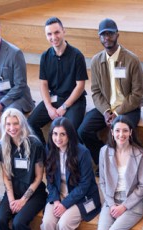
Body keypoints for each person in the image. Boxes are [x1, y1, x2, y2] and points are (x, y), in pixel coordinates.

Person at [78, 18, 143, 165]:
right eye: (103, 34)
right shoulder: (96, 61)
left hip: (128, 108)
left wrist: (117, 113)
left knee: (122, 133)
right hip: (106, 108)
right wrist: (106, 111)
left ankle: (129, 165)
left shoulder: (132, 60)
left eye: (110, 34)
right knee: (83, 131)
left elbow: (137, 94)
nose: (107, 38)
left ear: (117, 35)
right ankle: (104, 161)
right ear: (99, 37)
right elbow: (95, 91)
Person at [41, 117, 101, 230]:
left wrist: (65, 204)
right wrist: (55, 200)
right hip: (58, 196)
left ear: (69, 135)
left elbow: (85, 185)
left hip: (82, 198)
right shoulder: (49, 149)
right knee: (47, 223)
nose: (58, 138)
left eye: (62, 134)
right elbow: (49, 179)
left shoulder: (82, 153)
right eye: (55, 134)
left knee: (64, 223)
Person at [0, 108, 47, 230]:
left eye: (15, 123)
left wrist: (23, 200)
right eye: (8, 124)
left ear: (22, 123)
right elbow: (6, 176)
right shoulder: (1, 146)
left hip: (34, 193)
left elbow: (38, 177)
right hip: (13, 192)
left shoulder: (34, 144)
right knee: (0, 221)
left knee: (19, 222)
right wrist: (11, 200)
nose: (12, 128)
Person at [97, 116, 143, 230]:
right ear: (112, 132)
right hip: (111, 201)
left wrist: (124, 207)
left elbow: (142, 187)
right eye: (117, 130)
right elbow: (103, 181)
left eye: (125, 130)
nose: (121, 134)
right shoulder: (105, 151)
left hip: (132, 204)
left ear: (131, 132)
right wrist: (112, 204)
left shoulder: (139, 154)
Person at [28, 17, 88, 145]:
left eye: (56, 32)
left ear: (63, 32)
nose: (53, 37)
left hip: (74, 101)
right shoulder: (45, 56)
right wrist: (49, 107)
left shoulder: (77, 55)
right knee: (31, 123)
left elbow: (80, 86)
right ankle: (47, 155)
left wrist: (64, 107)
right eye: (49, 34)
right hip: (54, 98)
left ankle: (73, 162)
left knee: (68, 130)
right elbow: (43, 84)